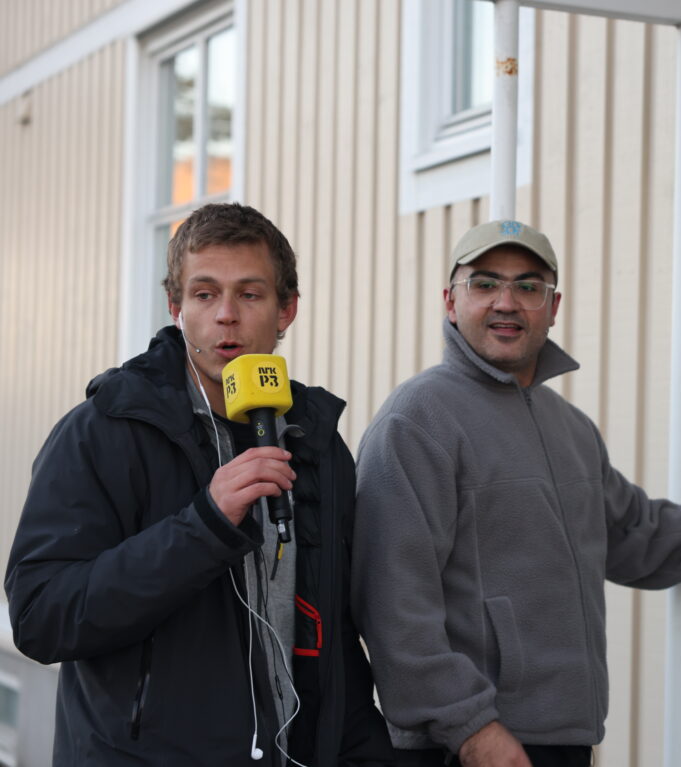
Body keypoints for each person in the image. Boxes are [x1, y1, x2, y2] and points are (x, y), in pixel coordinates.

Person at [352, 219, 681, 767]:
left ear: (554, 306)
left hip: (560, 737)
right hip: (468, 746)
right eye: (485, 283)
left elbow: (634, 533)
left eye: (529, 286)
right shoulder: (417, 421)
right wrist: (471, 728)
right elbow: (393, 602)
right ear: (450, 300)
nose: (506, 302)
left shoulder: (571, 428)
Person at [5, 203, 393, 766]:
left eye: (251, 295)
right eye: (205, 294)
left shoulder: (316, 441)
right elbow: (41, 619)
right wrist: (203, 525)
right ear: (176, 308)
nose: (226, 317)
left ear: (287, 310)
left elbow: (336, 636)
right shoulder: (105, 432)